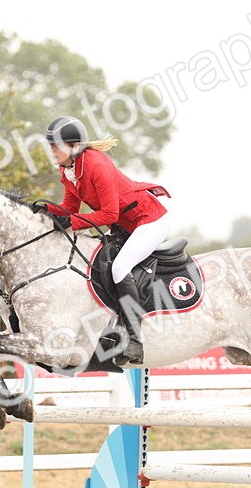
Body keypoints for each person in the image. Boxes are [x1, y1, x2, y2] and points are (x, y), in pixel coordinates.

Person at [42, 115, 171, 365]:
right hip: (123, 225)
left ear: (74, 146)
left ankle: (134, 339)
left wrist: (72, 223)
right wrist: (43, 212)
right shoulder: (68, 169)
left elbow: (108, 214)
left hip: (148, 220)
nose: (52, 150)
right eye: (50, 144)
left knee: (120, 267)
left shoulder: (96, 165)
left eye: (56, 144)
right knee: (97, 266)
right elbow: (70, 206)